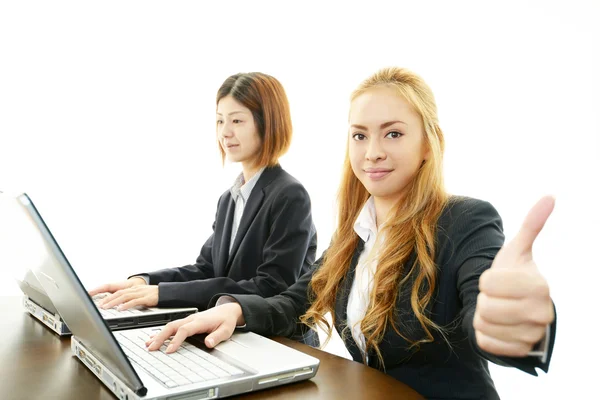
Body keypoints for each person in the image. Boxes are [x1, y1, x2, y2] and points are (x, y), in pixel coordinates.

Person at [144, 67, 556, 400]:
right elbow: (295, 300)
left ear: (429, 144)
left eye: (392, 133)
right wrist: (233, 310)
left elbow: (484, 309)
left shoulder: (466, 219)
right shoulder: (355, 232)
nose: (371, 151)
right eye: (360, 135)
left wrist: (513, 325)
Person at [89, 72, 317, 313]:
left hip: (277, 341)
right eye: (220, 121)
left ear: (268, 123)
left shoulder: (290, 195)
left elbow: (271, 286)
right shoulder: (228, 200)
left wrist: (162, 294)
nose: (225, 132)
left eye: (237, 121)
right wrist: (144, 282)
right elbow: (206, 270)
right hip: (231, 331)